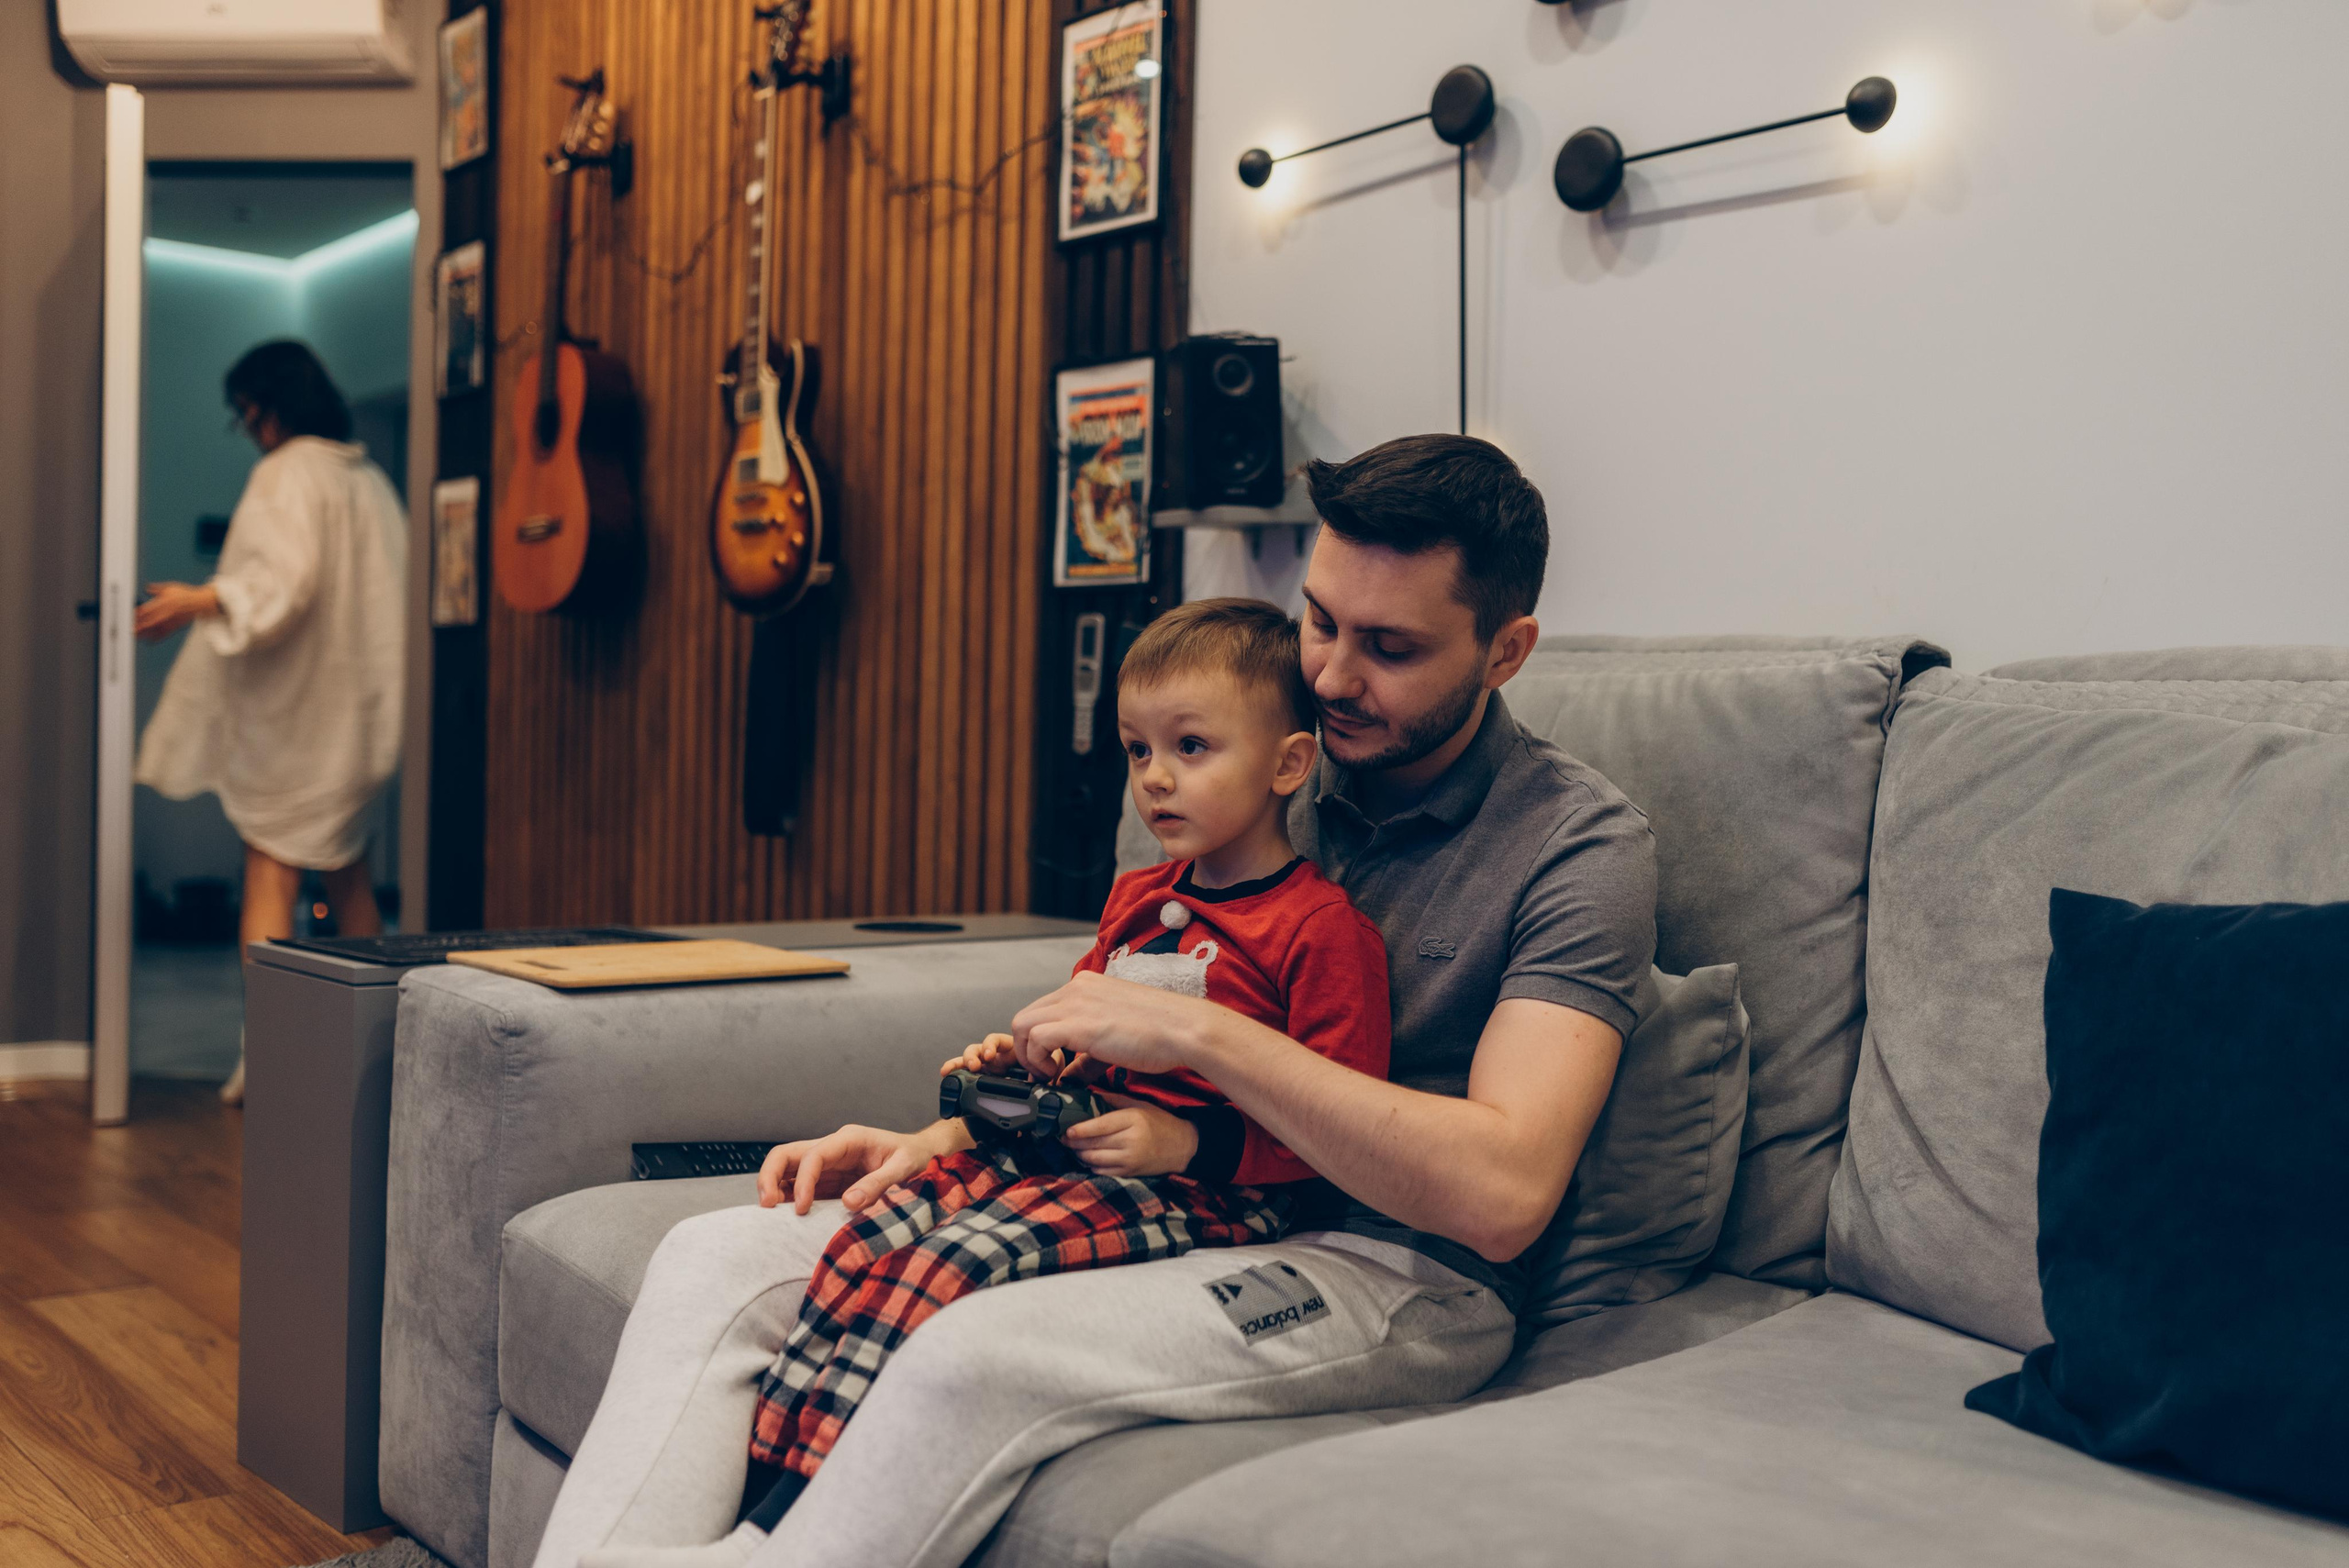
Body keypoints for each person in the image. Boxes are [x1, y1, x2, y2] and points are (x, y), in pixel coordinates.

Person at [532, 433, 1657, 1568]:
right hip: (1146, 1187)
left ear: (1505, 650)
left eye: (1392, 647)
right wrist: (965, 1134)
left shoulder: (1575, 843)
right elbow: (1104, 1041)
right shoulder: (1234, 754)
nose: (1328, 673)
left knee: (972, 1346)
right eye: (1321, 620)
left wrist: (1199, 1034)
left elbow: (1504, 1191)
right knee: (713, 1259)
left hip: (1388, 1265)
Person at [722, 598, 1392, 1548]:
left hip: (1209, 1194)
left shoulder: (1319, 930)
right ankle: (770, 1478)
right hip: (1070, 1151)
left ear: (1287, 762)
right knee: (872, 1238)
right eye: (1136, 750)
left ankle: (793, 1518)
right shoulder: (1136, 895)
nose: (1154, 778)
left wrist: (1191, 1138)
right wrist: (1025, 1055)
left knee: (955, 1263)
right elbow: (1083, 1029)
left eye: (1191, 747)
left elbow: (1336, 1125)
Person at [134, 339, 407, 1105]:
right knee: (349, 870)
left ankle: (272, 1054)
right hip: (360, 724)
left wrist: (202, 598)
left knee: (270, 867)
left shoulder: (287, 475)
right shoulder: (373, 485)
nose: (247, 429)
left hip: (304, 725)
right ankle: (383, 1050)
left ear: (270, 406)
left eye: (246, 413)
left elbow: (281, 585)